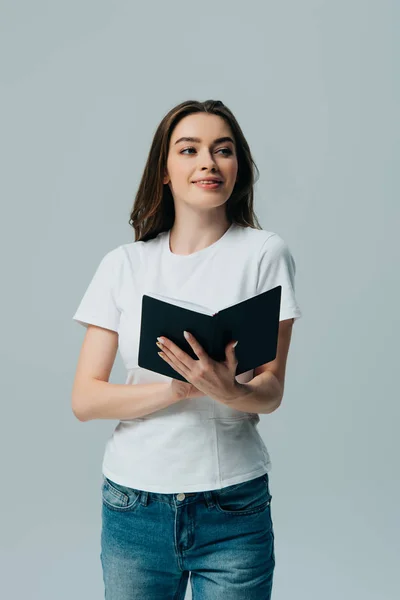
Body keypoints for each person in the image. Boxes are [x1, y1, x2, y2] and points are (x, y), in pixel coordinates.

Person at [71, 99, 302, 599]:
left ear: (237, 168)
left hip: (233, 506)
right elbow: (85, 400)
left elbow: (271, 391)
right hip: (134, 505)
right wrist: (180, 390)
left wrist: (229, 391)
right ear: (165, 172)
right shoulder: (124, 265)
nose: (208, 162)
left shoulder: (264, 254)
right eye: (189, 149)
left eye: (223, 150)